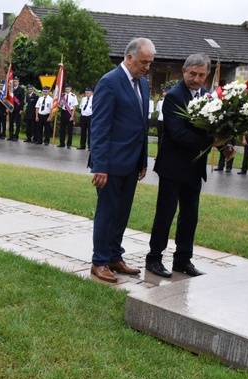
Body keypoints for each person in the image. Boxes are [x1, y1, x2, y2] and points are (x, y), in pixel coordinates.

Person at [89, 38, 155, 284]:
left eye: (150, 63)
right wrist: (100, 165)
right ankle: (99, 261)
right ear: (129, 57)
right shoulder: (109, 82)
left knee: (122, 213)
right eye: (143, 62)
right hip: (111, 164)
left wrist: (143, 158)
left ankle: (115, 256)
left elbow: (142, 124)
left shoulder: (143, 84)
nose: (146, 67)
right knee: (107, 213)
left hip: (132, 162)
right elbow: (100, 127)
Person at [145, 53, 215, 279]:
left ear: (207, 75)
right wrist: (211, 142)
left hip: (194, 168)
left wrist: (225, 144)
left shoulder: (207, 96)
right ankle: (154, 258)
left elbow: (213, 127)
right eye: (192, 73)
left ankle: (183, 260)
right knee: (165, 214)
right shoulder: (174, 96)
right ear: (184, 71)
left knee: (190, 216)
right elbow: (178, 134)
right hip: (172, 167)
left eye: (201, 74)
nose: (196, 78)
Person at [57, 83, 78, 149]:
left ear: (71, 89)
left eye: (68, 89)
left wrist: (72, 116)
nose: (67, 90)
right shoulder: (63, 95)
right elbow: (60, 104)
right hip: (63, 112)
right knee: (62, 128)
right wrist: (58, 105)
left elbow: (74, 107)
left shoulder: (73, 96)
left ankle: (69, 144)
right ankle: (62, 143)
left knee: (69, 129)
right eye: (66, 89)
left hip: (70, 112)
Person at [8, 75, 24, 141]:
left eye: (16, 82)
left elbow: (22, 100)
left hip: (17, 109)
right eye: (14, 82)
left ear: (18, 82)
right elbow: (8, 99)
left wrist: (21, 109)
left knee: (17, 123)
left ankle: (16, 135)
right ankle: (11, 135)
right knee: (11, 122)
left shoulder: (21, 89)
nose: (15, 83)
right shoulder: (10, 89)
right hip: (11, 108)